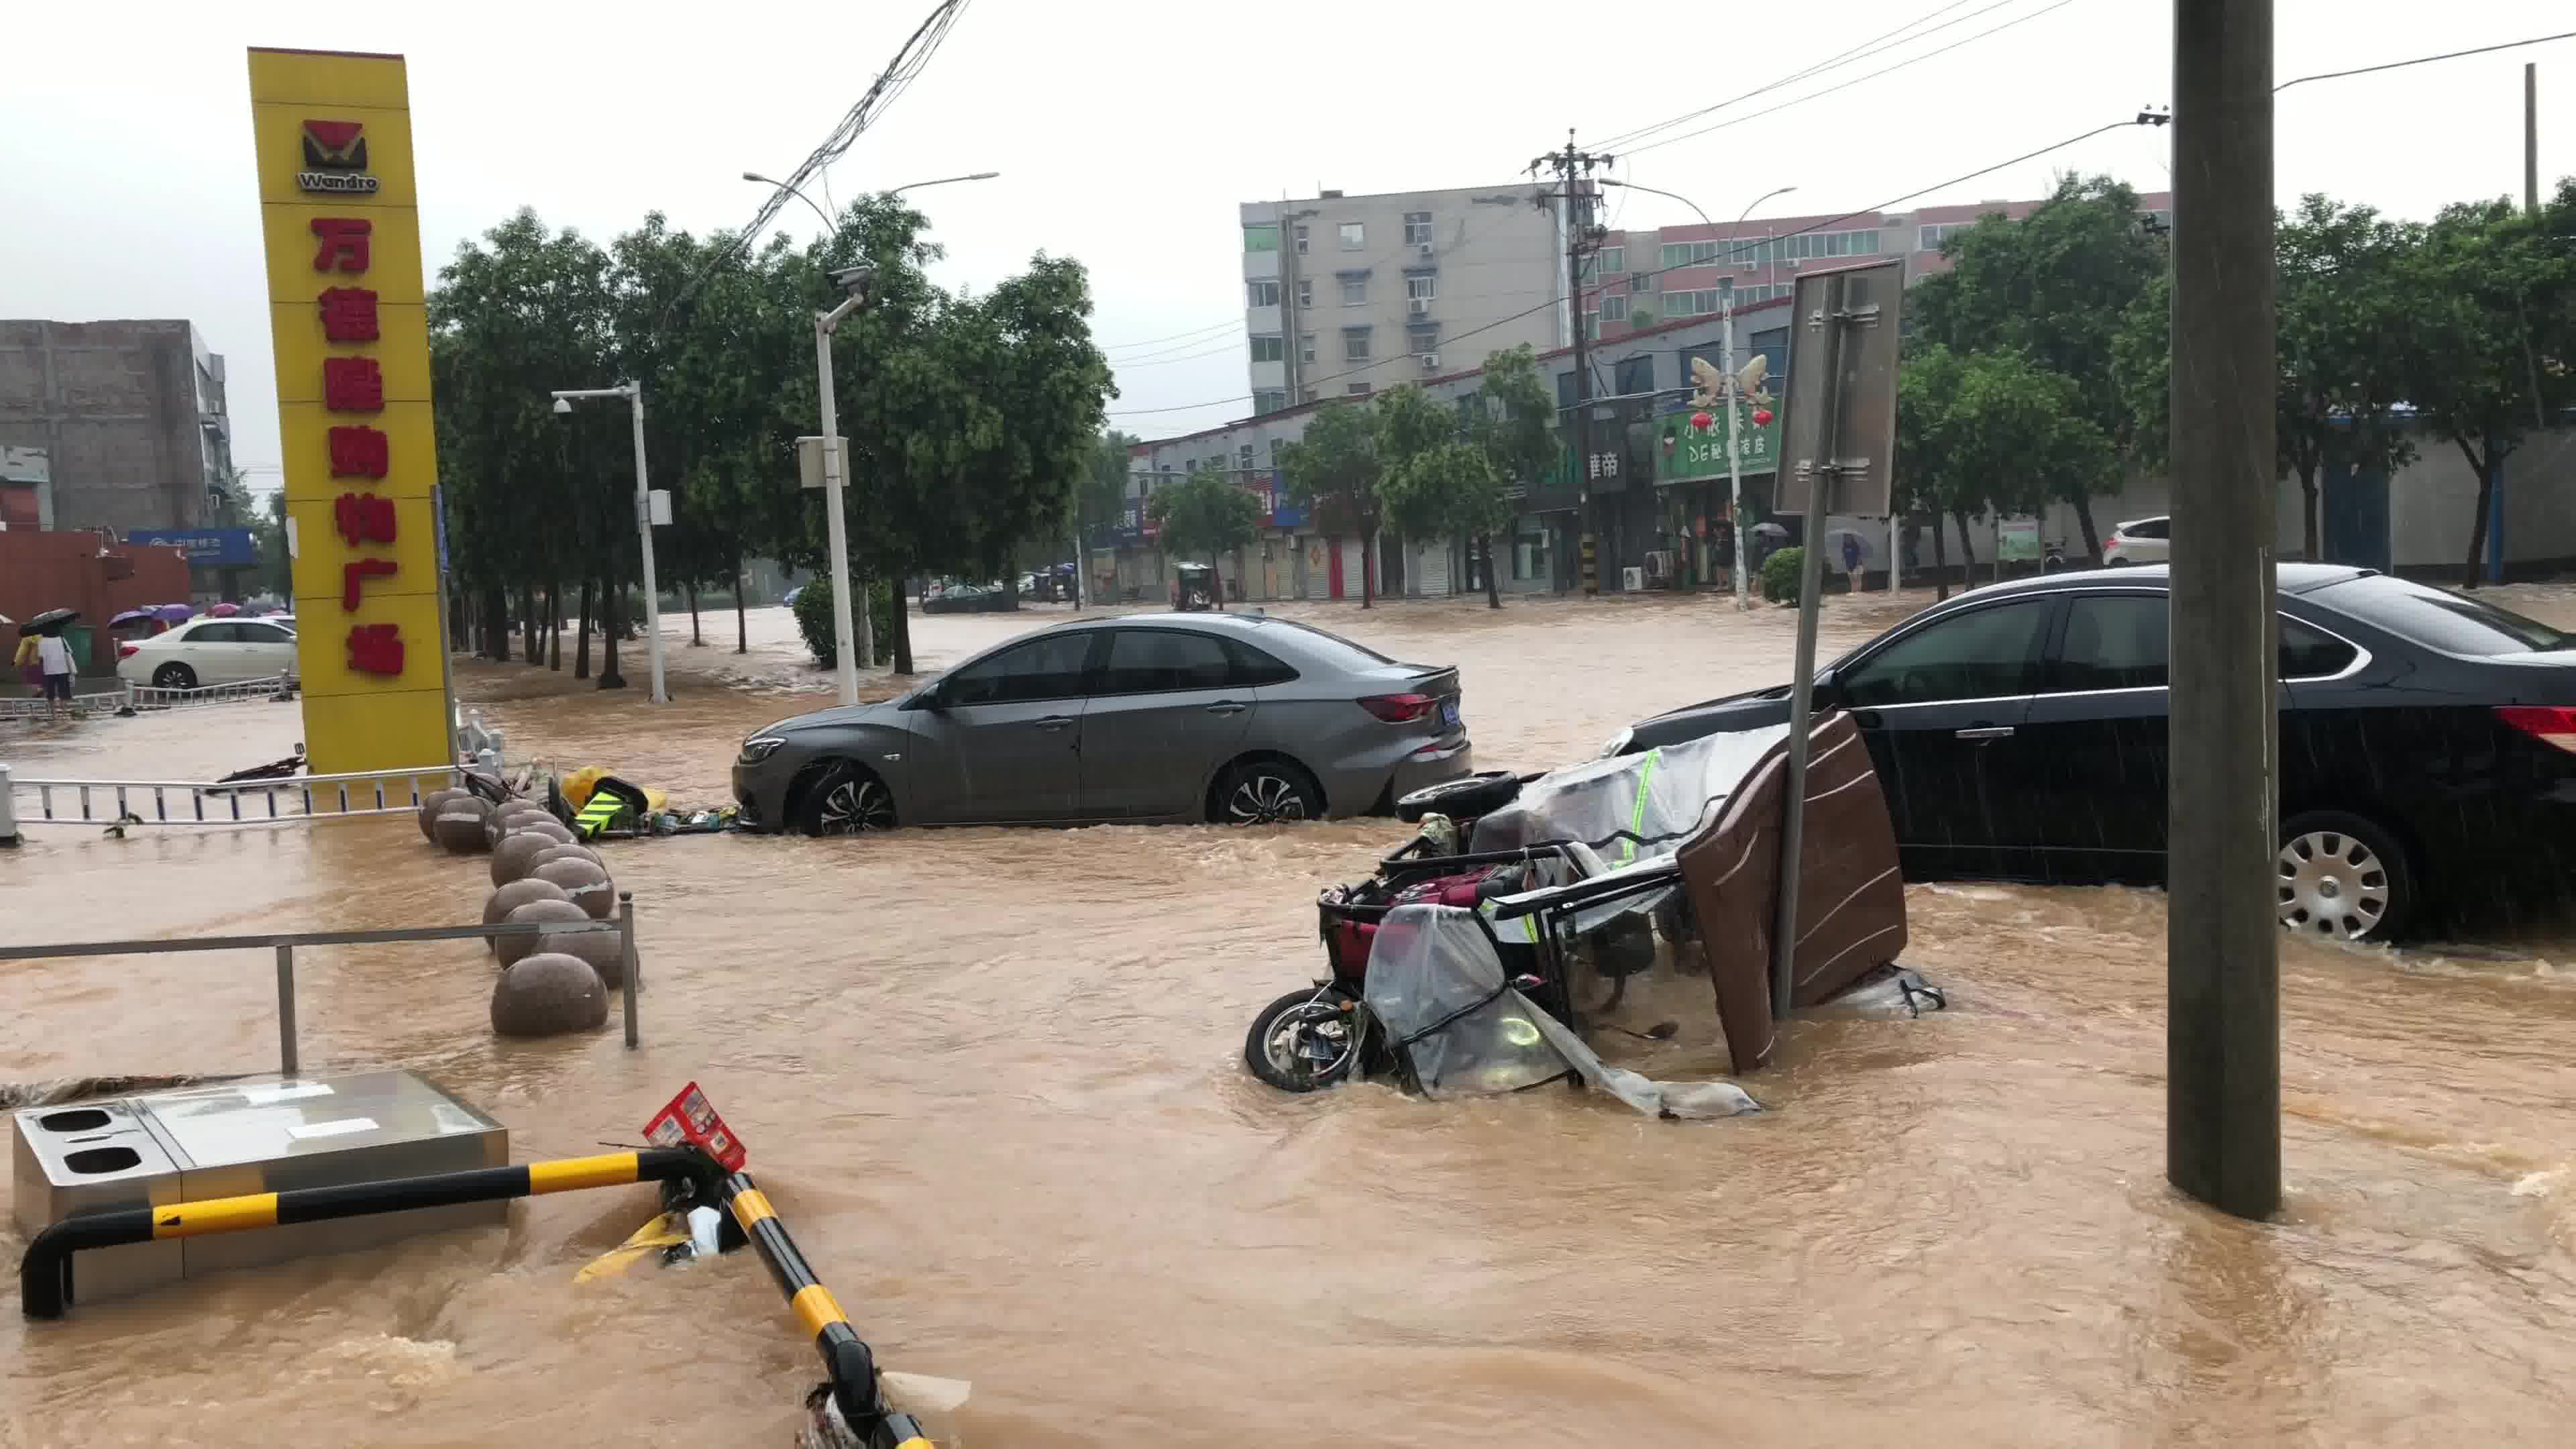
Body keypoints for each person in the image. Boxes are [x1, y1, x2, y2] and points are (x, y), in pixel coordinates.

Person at [34, 630, 76, 721]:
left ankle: (54, 715)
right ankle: (64, 714)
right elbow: (69, 652)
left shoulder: (42, 641)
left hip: (49, 671)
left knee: (51, 694)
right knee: (64, 693)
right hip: (63, 669)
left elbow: (41, 655)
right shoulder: (62, 639)